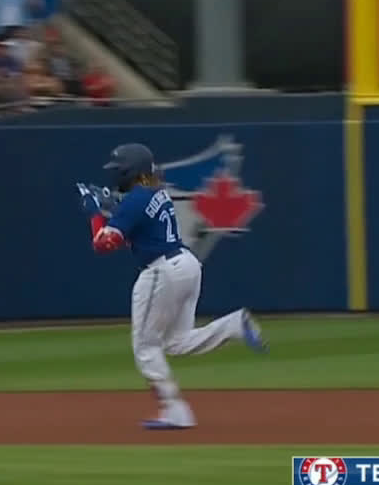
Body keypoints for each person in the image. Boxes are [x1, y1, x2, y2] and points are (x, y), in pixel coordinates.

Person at [79, 143, 268, 430]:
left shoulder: (136, 200)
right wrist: (109, 205)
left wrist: (94, 213)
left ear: (130, 171)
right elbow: (136, 223)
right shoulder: (155, 192)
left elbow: (104, 244)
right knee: (176, 342)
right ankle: (233, 325)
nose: (114, 174)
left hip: (160, 272)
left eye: (118, 170)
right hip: (186, 265)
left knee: (145, 347)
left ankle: (174, 409)